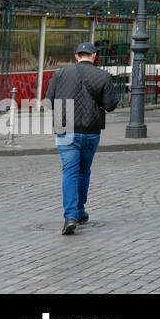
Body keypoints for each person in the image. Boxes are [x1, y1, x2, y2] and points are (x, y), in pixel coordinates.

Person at [45, 41, 119, 234]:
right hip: (91, 131)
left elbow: (48, 102)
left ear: (76, 56)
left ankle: (70, 216)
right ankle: (79, 211)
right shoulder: (103, 76)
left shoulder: (60, 74)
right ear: (94, 56)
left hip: (66, 130)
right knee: (84, 171)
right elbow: (110, 105)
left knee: (69, 172)